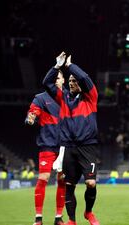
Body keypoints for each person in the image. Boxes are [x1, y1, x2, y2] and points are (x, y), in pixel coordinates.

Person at [43, 52, 100, 225]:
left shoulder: (91, 97)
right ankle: (72, 220)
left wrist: (69, 66)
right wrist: (57, 66)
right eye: (70, 81)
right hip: (68, 147)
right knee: (69, 185)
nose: (71, 83)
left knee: (90, 183)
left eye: (75, 81)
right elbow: (46, 83)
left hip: (87, 147)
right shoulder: (63, 98)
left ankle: (88, 212)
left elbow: (85, 77)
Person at [25, 70, 66, 225]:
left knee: (62, 180)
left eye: (59, 78)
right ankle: (38, 218)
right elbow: (32, 113)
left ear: (63, 80)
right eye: (54, 78)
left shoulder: (68, 98)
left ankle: (58, 217)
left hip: (64, 147)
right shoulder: (40, 98)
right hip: (47, 145)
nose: (56, 81)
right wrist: (31, 118)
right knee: (43, 178)